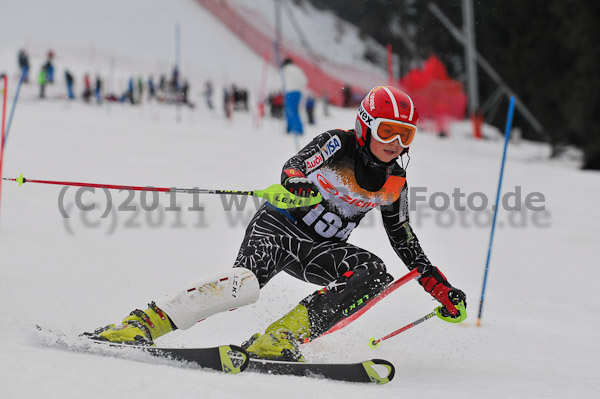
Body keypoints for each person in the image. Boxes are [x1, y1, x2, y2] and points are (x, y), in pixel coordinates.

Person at [89, 86, 467, 362]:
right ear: (366, 126)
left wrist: (440, 289)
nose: (396, 142)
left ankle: (283, 336)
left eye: (406, 135)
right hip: (279, 228)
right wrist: (298, 181)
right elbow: (295, 166)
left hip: (321, 251)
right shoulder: (338, 143)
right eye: (388, 131)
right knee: (245, 287)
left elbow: (404, 240)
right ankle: (143, 323)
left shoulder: (395, 182)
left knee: (373, 272)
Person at [281, 58, 307, 135]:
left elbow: (282, 81)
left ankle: (296, 129)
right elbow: (304, 81)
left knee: (290, 110)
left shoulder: (285, 69)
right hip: (298, 92)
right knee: (293, 110)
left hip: (289, 91)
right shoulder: (298, 69)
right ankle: (293, 128)